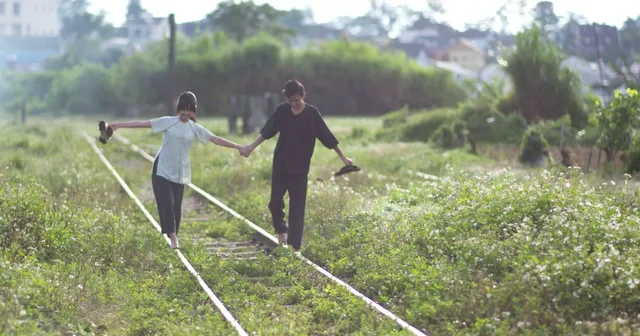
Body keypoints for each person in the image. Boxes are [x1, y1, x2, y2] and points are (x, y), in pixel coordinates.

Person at [104, 91, 251, 249]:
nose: (185, 113)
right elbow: (143, 123)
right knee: (167, 202)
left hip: (180, 171)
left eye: (189, 109)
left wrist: (238, 146)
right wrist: (119, 125)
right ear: (178, 108)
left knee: (176, 207)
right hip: (162, 168)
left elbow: (215, 139)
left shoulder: (195, 128)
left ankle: (173, 234)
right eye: (182, 108)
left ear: (193, 111)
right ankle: (173, 239)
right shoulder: (168, 122)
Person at [243, 80, 353, 252]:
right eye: (290, 101)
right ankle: (281, 233)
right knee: (274, 202)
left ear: (303, 95)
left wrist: (343, 157)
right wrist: (250, 147)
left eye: (296, 100)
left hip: (300, 168)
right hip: (280, 164)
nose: (293, 104)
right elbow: (267, 132)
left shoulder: (312, 114)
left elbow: (327, 137)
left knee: (297, 208)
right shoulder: (282, 111)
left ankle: (294, 249)